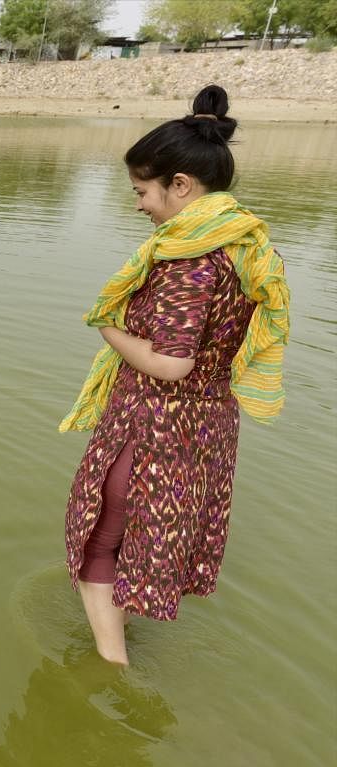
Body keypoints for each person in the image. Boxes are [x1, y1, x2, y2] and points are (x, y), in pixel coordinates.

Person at [59, 85, 290, 665]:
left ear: (180, 185)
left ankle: (111, 672)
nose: (139, 204)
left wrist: (107, 325)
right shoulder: (245, 245)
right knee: (138, 541)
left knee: (97, 544)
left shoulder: (189, 259)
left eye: (143, 191)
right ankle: (119, 639)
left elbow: (170, 361)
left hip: (154, 426)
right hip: (206, 426)